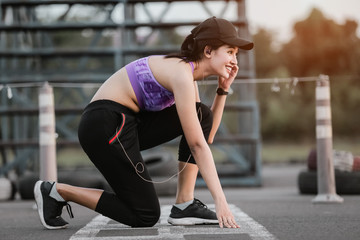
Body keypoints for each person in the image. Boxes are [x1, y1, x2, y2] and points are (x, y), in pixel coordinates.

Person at [33, 16, 253, 230]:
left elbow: (205, 135)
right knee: (145, 214)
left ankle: (184, 205)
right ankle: (57, 192)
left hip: (125, 124)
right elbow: (197, 145)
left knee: (201, 114)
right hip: (104, 125)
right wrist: (220, 200)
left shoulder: (188, 76)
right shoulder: (181, 73)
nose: (235, 60)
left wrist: (222, 90)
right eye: (230, 52)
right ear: (208, 51)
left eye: (236, 54)